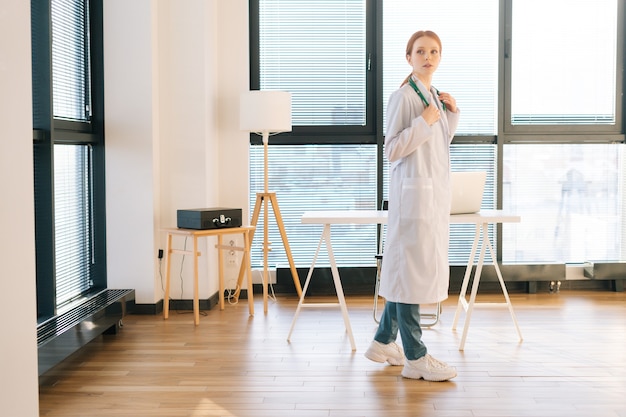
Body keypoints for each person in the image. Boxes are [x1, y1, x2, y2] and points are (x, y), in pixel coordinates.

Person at [364, 30, 460, 381]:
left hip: (430, 199)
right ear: (409, 58)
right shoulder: (403, 97)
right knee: (411, 274)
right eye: (421, 51)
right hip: (412, 200)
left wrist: (450, 114)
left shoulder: (432, 95)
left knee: (412, 273)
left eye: (434, 51)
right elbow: (392, 150)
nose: (428, 57)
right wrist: (424, 121)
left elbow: (436, 146)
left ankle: (383, 341)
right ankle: (416, 356)